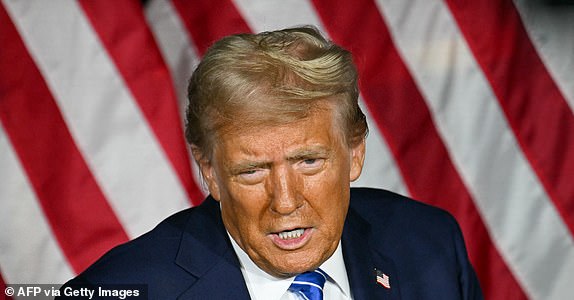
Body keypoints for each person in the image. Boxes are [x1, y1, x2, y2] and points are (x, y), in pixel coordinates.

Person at [58, 26, 482, 299]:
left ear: (355, 152)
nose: (284, 202)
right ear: (210, 170)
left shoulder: (430, 246)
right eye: (253, 170)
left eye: (309, 161)